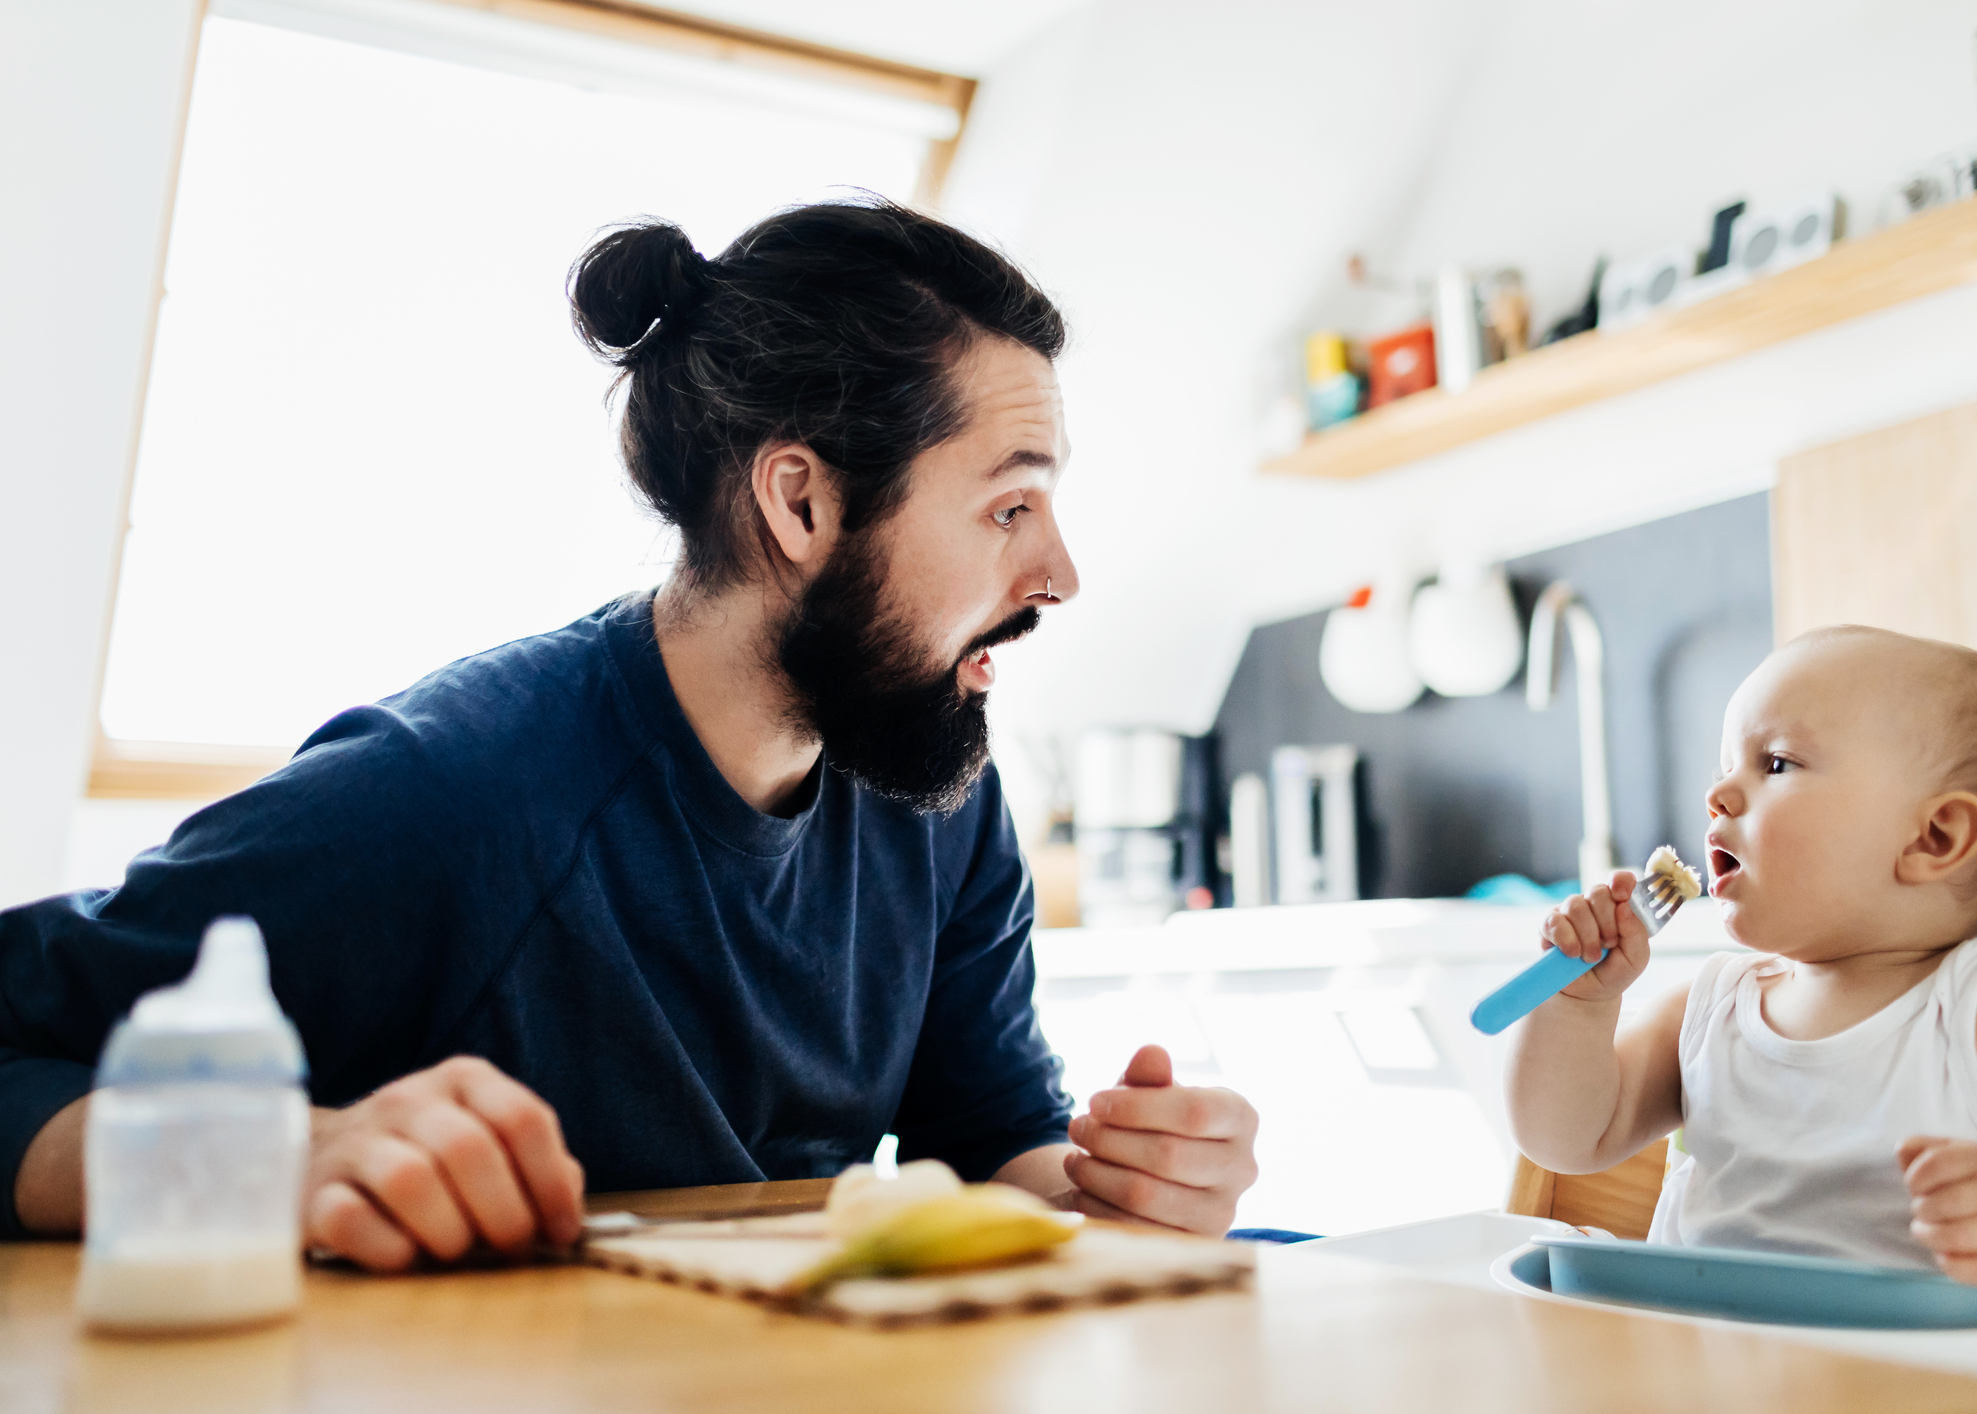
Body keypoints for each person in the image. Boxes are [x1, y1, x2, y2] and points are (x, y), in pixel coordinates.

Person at [0, 198, 1259, 1268]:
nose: (1061, 571)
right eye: (1009, 505)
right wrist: (280, 1153)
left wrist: (1119, 1189)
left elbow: (995, 1149)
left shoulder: (934, 788)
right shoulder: (453, 795)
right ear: (802, 501)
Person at [1506, 625, 1977, 1286]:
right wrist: (1576, 1007)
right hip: (1704, 1367)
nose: (1716, 795)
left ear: (1933, 837)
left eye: (1774, 763)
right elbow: (1566, 1140)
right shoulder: (1711, 1006)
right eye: (1723, 768)